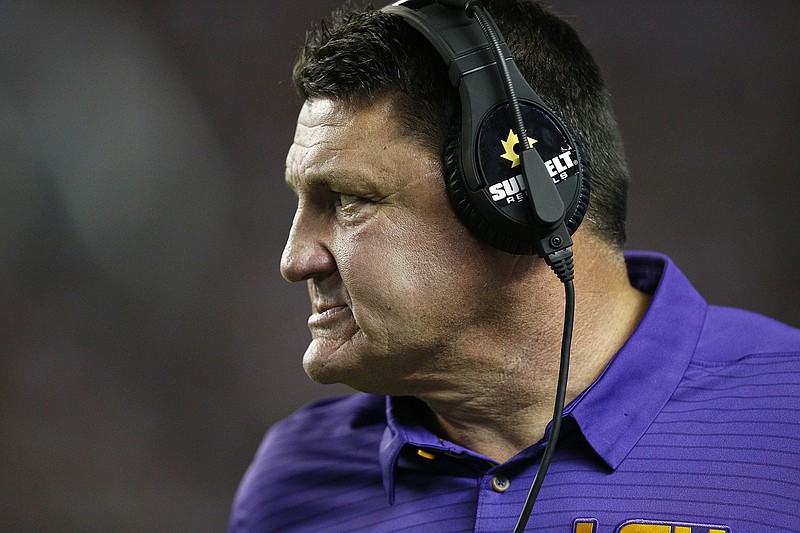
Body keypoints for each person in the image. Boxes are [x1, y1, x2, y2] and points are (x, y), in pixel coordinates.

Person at [229, 1, 800, 531]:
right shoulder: (292, 486)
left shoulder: (786, 415)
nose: (295, 260)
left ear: (518, 196)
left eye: (348, 200)